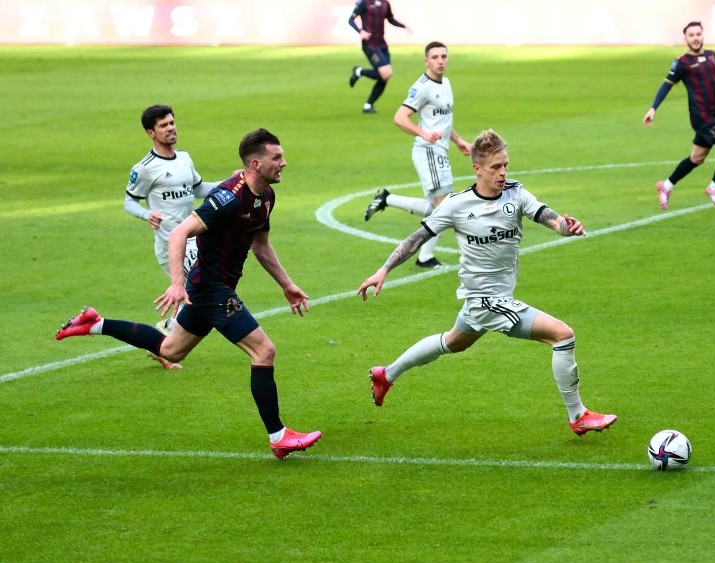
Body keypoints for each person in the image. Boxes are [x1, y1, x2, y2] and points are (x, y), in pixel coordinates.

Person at [57, 128, 322, 459]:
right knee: (264, 351)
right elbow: (180, 232)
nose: (284, 163)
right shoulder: (227, 198)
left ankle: (96, 323)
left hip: (212, 287)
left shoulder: (266, 196)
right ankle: (279, 436)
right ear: (256, 162)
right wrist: (176, 284)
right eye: (277, 157)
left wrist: (286, 283)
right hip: (210, 288)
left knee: (171, 350)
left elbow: (261, 245)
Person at [356, 129, 617, 437]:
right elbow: (417, 239)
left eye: (505, 165)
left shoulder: (516, 194)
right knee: (562, 335)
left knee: (452, 342)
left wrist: (566, 228)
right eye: (495, 167)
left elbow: (549, 218)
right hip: (486, 302)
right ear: (477, 169)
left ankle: (386, 374)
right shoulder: (457, 205)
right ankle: (578, 415)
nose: (503, 172)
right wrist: (384, 269)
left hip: (488, 299)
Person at [125, 104, 224, 370]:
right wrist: (147, 215)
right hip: (171, 242)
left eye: (171, 123)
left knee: (200, 289)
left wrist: (231, 182)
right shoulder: (145, 169)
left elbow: (200, 188)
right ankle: (167, 333)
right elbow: (129, 201)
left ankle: (165, 339)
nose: (170, 128)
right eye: (163, 125)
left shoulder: (184, 158)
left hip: (194, 236)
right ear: (150, 133)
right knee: (200, 289)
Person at [364, 41, 471, 269]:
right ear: (426, 61)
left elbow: (442, 121)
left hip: (440, 152)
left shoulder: (446, 83)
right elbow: (400, 117)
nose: (440, 61)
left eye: (443, 56)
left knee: (440, 209)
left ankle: (387, 200)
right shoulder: (421, 87)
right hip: (428, 153)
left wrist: (459, 140)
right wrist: (423, 132)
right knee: (445, 209)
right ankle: (436, 257)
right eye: (435, 57)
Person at [643, 21, 715, 210]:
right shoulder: (682, 62)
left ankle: (666, 186)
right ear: (685, 38)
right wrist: (653, 108)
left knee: (697, 158)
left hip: (713, 114)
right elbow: (667, 84)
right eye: (691, 35)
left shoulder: (712, 56)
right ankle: (714, 187)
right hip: (701, 117)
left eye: (698, 34)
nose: (695, 38)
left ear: (703, 35)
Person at [347, 0, 411, 114]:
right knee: (386, 72)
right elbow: (350, 20)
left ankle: (368, 106)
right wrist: (361, 31)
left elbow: (390, 19)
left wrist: (403, 26)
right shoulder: (364, 3)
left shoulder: (385, 3)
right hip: (370, 45)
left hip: (382, 44)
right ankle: (359, 72)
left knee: (384, 76)